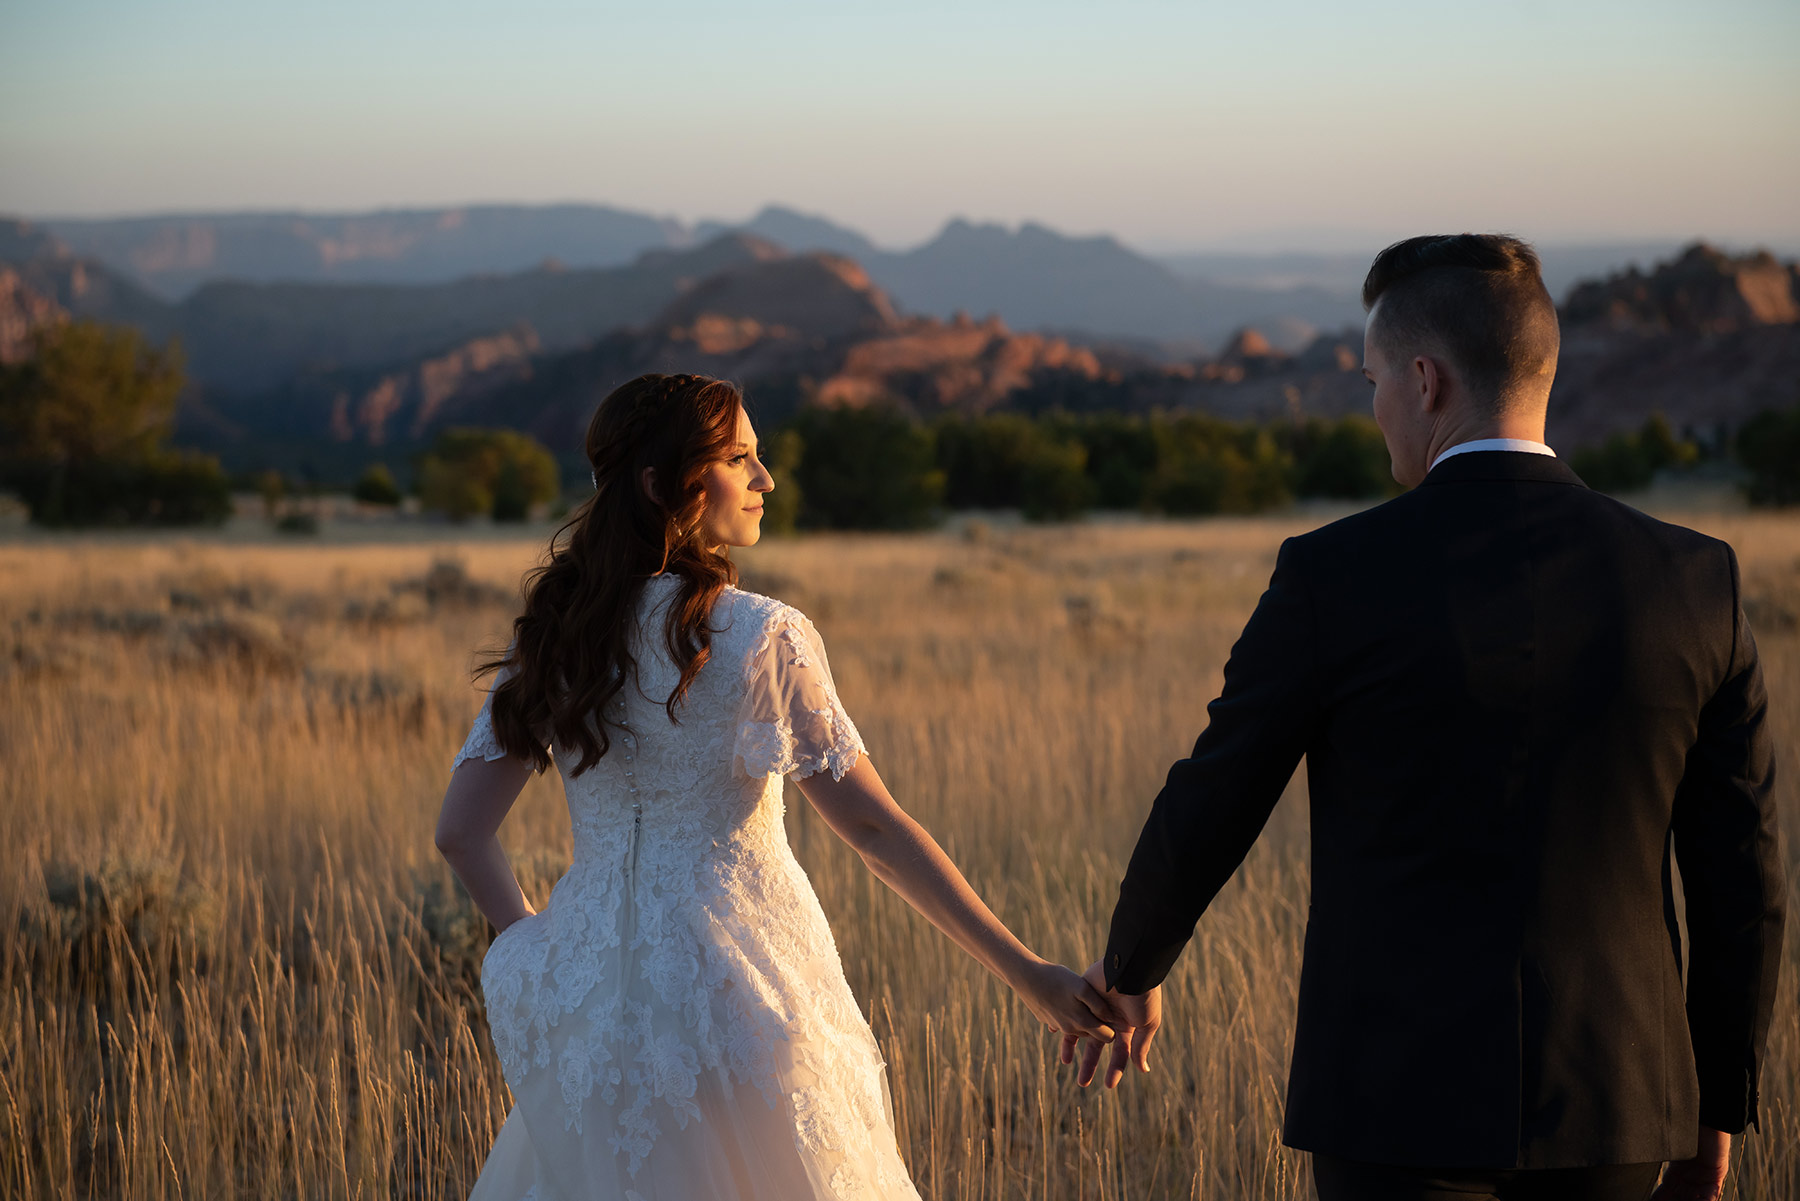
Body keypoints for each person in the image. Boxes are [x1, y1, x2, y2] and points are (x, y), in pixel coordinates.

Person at [1066, 235, 1786, 1201]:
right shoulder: (1696, 580)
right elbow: (1744, 875)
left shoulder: (1334, 575)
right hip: (1620, 1101)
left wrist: (1132, 961)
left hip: (1392, 1103)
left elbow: (1217, 790)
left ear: (1425, 379)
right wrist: (1717, 1101)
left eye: (1372, 383)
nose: (1374, 413)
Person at [434, 373, 1117, 1201]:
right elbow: (873, 832)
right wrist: (1028, 971)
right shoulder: (762, 635)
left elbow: (461, 833)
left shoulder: (555, 638)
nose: (767, 480)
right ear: (663, 486)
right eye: (740, 459)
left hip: (593, 1016)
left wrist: (539, 946)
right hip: (742, 1001)